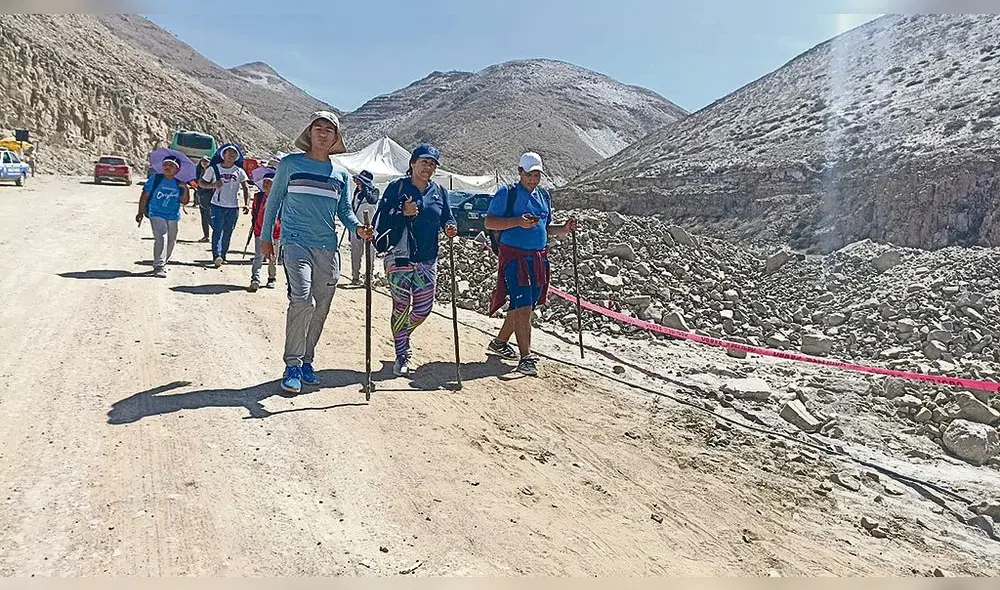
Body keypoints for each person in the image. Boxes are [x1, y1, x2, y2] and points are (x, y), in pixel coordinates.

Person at [260, 111, 374, 394]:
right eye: (318, 128)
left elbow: (344, 211)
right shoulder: (290, 164)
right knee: (302, 299)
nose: (323, 134)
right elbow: (274, 201)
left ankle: (307, 360)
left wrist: (358, 228)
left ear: (336, 138)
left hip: (328, 247)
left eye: (329, 130)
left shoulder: (340, 175)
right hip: (295, 241)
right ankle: (292, 364)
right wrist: (265, 237)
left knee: (321, 307)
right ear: (309, 133)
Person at [484, 152, 577, 376]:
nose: (533, 179)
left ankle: (499, 343)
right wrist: (517, 222)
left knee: (524, 304)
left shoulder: (543, 196)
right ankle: (526, 357)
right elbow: (489, 222)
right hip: (514, 258)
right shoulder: (507, 193)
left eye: (536, 175)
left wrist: (564, 229)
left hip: (537, 258)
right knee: (524, 305)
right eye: (529, 175)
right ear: (519, 172)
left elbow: (545, 228)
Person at [372, 144, 457, 377]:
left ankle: (401, 333)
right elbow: (381, 218)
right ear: (412, 164)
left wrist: (450, 227)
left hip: (427, 259)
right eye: (424, 162)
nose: (428, 167)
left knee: (423, 309)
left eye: (432, 163)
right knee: (401, 306)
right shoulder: (397, 187)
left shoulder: (439, 191)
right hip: (399, 257)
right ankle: (401, 353)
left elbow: (447, 217)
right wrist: (403, 213)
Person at [135, 154, 190, 278]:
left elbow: (185, 202)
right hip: (156, 213)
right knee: (161, 237)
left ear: (177, 170)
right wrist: (140, 212)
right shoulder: (156, 179)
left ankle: (163, 262)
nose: (167, 167)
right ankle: (159, 265)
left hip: (173, 215)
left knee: (171, 241)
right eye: (165, 164)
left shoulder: (179, 183)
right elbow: (145, 196)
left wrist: (186, 189)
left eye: (171, 165)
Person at [200, 143, 250, 267]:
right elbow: (201, 183)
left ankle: (223, 255)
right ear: (223, 155)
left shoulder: (239, 171)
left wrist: (246, 204)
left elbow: (246, 188)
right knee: (217, 230)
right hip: (217, 205)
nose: (231, 156)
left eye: (234, 154)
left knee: (228, 231)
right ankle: (216, 256)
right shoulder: (214, 169)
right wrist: (213, 185)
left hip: (233, 207)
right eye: (229, 153)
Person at [249, 168, 280, 292]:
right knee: (258, 255)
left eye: (269, 182)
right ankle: (255, 278)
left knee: (272, 256)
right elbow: (254, 212)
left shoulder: (279, 198)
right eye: (265, 181)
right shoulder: (258, 197)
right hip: (259, 230)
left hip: (275, 232)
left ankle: (272, 278)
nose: (265, 184)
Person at [349, 170, 380, 285]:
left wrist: (365, 189)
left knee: (370, 254)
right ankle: (355, 277)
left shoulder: (375, 192)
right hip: (357, 227)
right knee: (355, 253)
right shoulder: (357, 194)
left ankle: (369, 278)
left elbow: (372, 200)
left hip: (371, 228)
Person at [193, 156, 214, 242]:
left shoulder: (212, 172)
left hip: (209, 196)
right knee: (204, 216)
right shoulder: (199, 171)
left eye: (206, 161)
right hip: (201, 195)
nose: (204, 163)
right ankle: (206, 236)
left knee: (209, 216)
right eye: (202, 161)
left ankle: (218, 233)